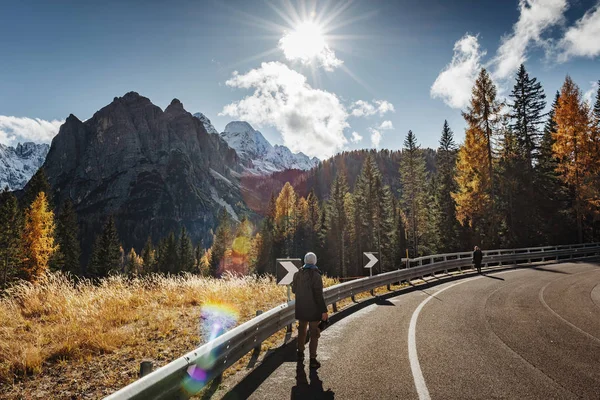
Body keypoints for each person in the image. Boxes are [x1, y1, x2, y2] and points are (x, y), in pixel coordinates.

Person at [292, 252, 328, 369]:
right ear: (315, 261)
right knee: (314, 334)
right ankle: (312, 359)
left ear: (305, 261)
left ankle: (300, 353)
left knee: (302, 331)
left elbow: (294, 290)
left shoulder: (297, 274)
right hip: (314, 310)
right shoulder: (316, 276)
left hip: (301, 308)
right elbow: (318, 295)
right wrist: (324, 311)